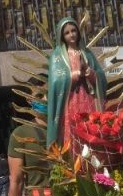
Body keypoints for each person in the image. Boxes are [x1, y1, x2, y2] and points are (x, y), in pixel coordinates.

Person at [46, 17, 108, 147]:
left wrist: (91, 74)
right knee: (73, 137)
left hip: (87, 99)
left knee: (90, 132)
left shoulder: (87, 53)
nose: (71, 35)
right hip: (69, 102)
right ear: (62, 36)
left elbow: (101, 77)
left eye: (73, 30)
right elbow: (55, 82)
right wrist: (73, 75)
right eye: (67, 33)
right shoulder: (57, 56)